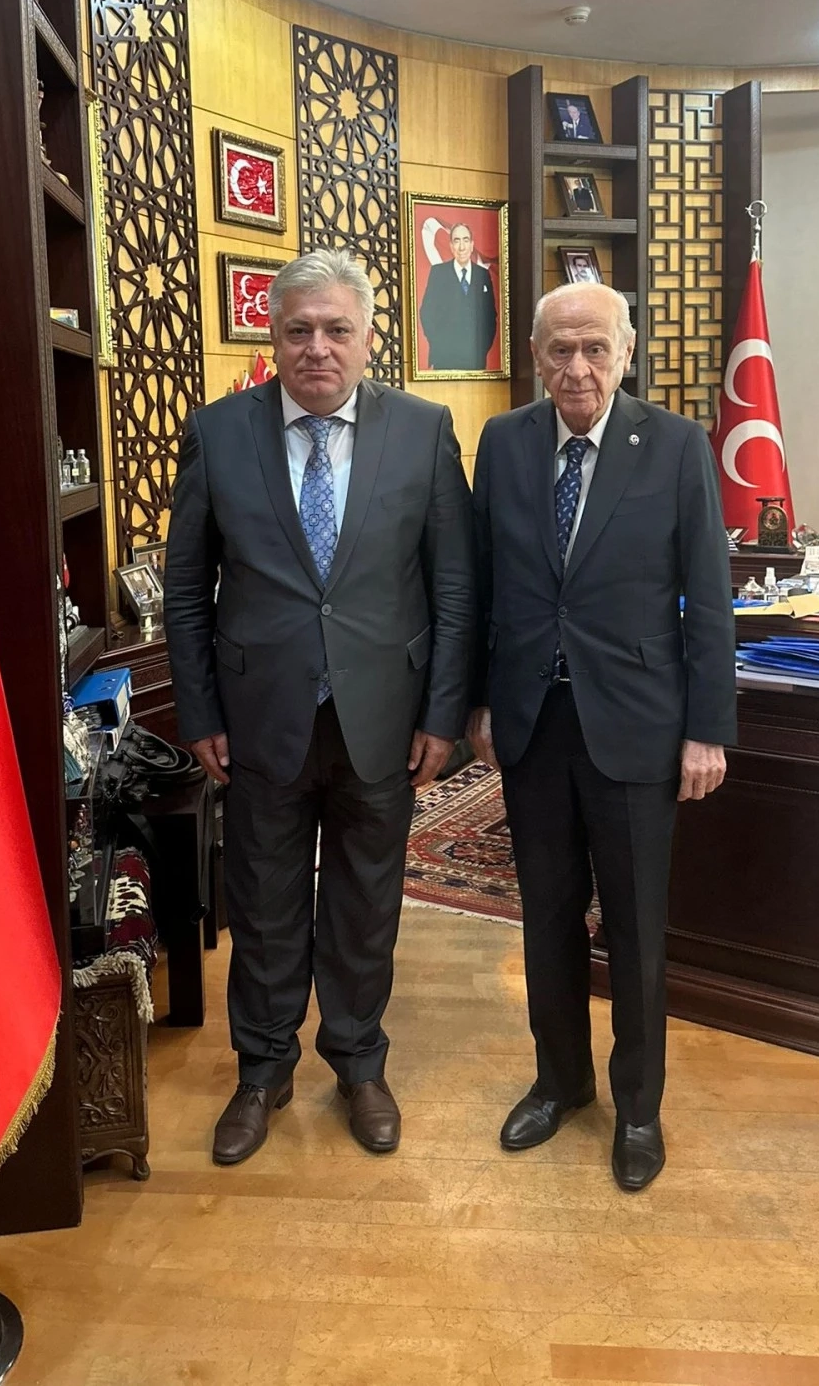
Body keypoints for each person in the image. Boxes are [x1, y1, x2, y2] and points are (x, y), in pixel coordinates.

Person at [164, 248, 475, 1165]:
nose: (318, 347)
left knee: (365, 900)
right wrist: (198, 711)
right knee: (261, 900)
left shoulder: (423, 431)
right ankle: (261, 1069)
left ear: (369, 336)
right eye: (299, 329)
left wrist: (443, 715)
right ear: (273, 336)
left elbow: (455, 589)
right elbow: (186, 591)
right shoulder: (219, 433)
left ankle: (358, 1061)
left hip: (385, 716)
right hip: (259, 718)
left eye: (338, 329)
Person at [468, 283, 735, 1192]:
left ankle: (639, 1107)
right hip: (532, 722)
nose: (576, 367)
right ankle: (560, 1081)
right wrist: (478, 702)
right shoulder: (503, 442)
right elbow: (480, 584)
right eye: (559, 349)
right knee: (545, 914)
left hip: (638, 724)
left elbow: (709, 596)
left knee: (634, 926)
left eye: (594, 348)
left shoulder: (677, 445)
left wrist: (707, 728)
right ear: (534, 355)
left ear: (626, 352)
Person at [418, 223, 498, 372]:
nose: (462, 247)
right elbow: (426, 313)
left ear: (472, 245)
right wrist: (438, 345)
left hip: (475, 361)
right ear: (451, 246)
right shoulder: (438, 273)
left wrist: (481, 349)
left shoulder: (483, 275)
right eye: (457, 241)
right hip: (444, 360)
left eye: (465, 240)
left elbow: (491, 317)